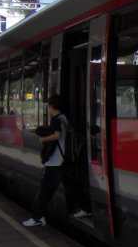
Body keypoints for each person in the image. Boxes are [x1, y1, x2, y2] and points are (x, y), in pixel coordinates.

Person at [21, 95, 90, 227]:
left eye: (49, 105)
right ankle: (86, 208)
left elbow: (57, 135)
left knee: (45, 190)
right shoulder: (64, 118)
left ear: (52, 106)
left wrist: (43, 140)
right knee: (71, 186)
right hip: (65, 160)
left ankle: (37, 217)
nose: (48, 108)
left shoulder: (56, 120)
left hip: (55, 162)